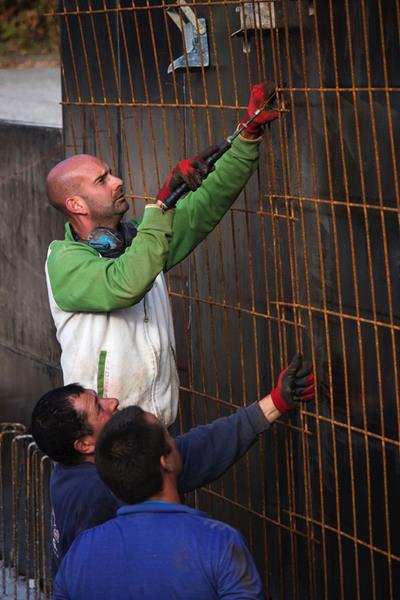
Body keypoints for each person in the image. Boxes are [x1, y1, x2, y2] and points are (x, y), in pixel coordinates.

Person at [44, 83, 279, 426]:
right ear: (75, 204)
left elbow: (204, 205)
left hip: (157, 430)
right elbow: (125, 283)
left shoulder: (138, 242)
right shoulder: (63, 261)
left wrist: (247, 135)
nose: (118, 181)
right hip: (103, 440)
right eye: (102, 180)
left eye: (110, 172)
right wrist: (163, 204)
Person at [31, 353, 314, 570]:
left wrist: (275, 403)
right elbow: (192, 455)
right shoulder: (98, 494)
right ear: (84, 445)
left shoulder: (69, 470)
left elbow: (196, 449)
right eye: (99, 409)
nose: (112, 401)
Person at [53, 406, 266, 600]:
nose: (176, 442)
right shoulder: (219, 543)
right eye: (169, 435)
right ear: (166, 460)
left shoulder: (79, 552)